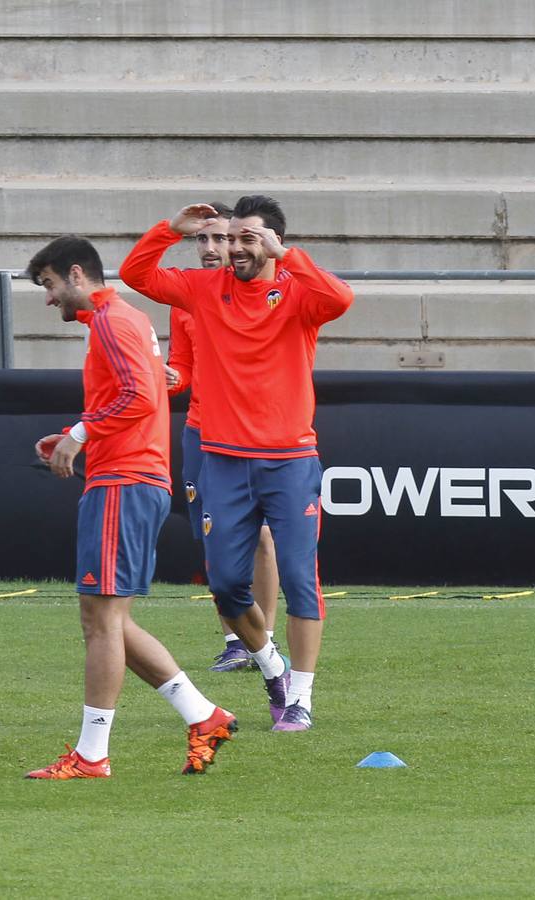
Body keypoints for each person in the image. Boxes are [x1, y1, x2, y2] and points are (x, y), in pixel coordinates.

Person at [122, 195, 354, 732]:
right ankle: (271, 666)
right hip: (224, 461)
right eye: (231, 239)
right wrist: (169, 230)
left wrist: (288, 255)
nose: (235, 248)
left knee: (301, 580)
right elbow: (137, 274)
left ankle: (300, 698)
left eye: (248, 238)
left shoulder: (297, 294)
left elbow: (341, 299)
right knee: (226, 585)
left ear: (271, 242)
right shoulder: (204, 291)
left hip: (290, 460)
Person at [24, 235, 236, 779]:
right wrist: (76, 435)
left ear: (76, 274)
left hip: (125, 480)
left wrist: (80, 432)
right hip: (128, 475)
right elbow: (137, 394)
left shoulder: (113, 321)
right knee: (110, 619)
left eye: (49, 285)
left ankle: (93, 754)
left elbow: (141, 396)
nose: (49, 299)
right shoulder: (122, 319)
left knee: (100, 621)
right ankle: (203, 715)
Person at [166, 202, 283, 673]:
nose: (214, 248)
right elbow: (184, 370)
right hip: (201, 430)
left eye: (222, 239)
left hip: (256, 435)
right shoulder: (188, 297)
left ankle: (266, 640)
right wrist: (161, 376)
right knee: (216, 543)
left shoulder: (266, 290)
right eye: (204, 239)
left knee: (263, 537)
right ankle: (235, 640)